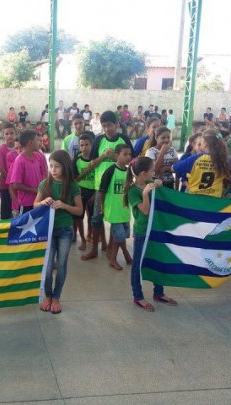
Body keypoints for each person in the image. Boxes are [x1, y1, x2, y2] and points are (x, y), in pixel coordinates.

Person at [34, 149, 82, 315]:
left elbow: (79, 210)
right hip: (47, 231)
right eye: (51, 166)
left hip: (65, 231)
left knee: (61, 265)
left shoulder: (73, 186)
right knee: (47, 268)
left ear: (66, 167)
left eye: (57, 166)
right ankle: (48, 295)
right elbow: (35, 204)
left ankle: (56, 297)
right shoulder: (45, 184)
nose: (53, 170)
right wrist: (43, 202)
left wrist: (64, 205)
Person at [127, 157, 177, 311]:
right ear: (143, 173)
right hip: (142, 232)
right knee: (138, 264)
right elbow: (145, 210)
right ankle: (138, 296)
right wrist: (145, 194)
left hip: (156, 229)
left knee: (159, 260)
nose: (154, 173)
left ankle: (159, 292)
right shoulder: (132, 191)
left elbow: (159, 184)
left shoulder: (151, 181)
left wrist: (159, 183)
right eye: (152, 171)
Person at [82, 111, 133, 261]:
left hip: (119, 187)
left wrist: (116, 157)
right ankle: (94, 250)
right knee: (96, 218)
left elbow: (131, 160)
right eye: (104, 126)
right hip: (101, 187)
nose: (107, 129)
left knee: (115, 218)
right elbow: (92, 163)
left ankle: (111, 249)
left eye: (109, 125)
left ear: (116, 124)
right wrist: (104, 156)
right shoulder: (99, 140)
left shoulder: (124, 139)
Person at [173, 130, 231, 197]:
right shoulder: (223, 160)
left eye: (201, 142)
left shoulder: (195, 158)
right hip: (213, 200)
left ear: (205, 144)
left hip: (194, 198)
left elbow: (175, 168)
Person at [100, 144, 133, 270]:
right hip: (114, 210)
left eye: (129, 154)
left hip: (124, 210)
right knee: (119, 235)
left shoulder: (129, 171)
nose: (128, 157)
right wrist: (102, 206)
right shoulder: (111, 170)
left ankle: (122, 253)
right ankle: (114, 259)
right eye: (125, 154)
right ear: (116, 155)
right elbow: (102, 190)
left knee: (121, 235)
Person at [9, 130, 48, 214]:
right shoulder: (19, 161)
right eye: (37, 140)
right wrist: (36, 191)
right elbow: (16, 185)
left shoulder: (39, 156)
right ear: (31, 142)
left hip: (39, 200)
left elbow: (44, 175)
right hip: (26, 204)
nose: (39, 143)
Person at [73, 133, 95, 251]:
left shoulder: (96, 159)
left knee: (92, 217)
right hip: (80, 192)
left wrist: (95, 194)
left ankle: (89, 234)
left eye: (87, 144)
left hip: (93, 192)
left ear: (92, 145)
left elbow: (99, 179)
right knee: (79, 217)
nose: (84, 147)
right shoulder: (76, 160)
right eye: (82, 145)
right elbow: (75, 179)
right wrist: (88, 169)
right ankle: (82, 240)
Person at [0, 123, 17, 219]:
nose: (9, 136)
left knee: (16, 208)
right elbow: (0, 168)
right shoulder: (1, 149)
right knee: (6, 209)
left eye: (12, 133)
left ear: (16, 134)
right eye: (6, 134)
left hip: (18, 185)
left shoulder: (19, 148)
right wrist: (11, 181)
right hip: (5, 185)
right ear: (3, 136)